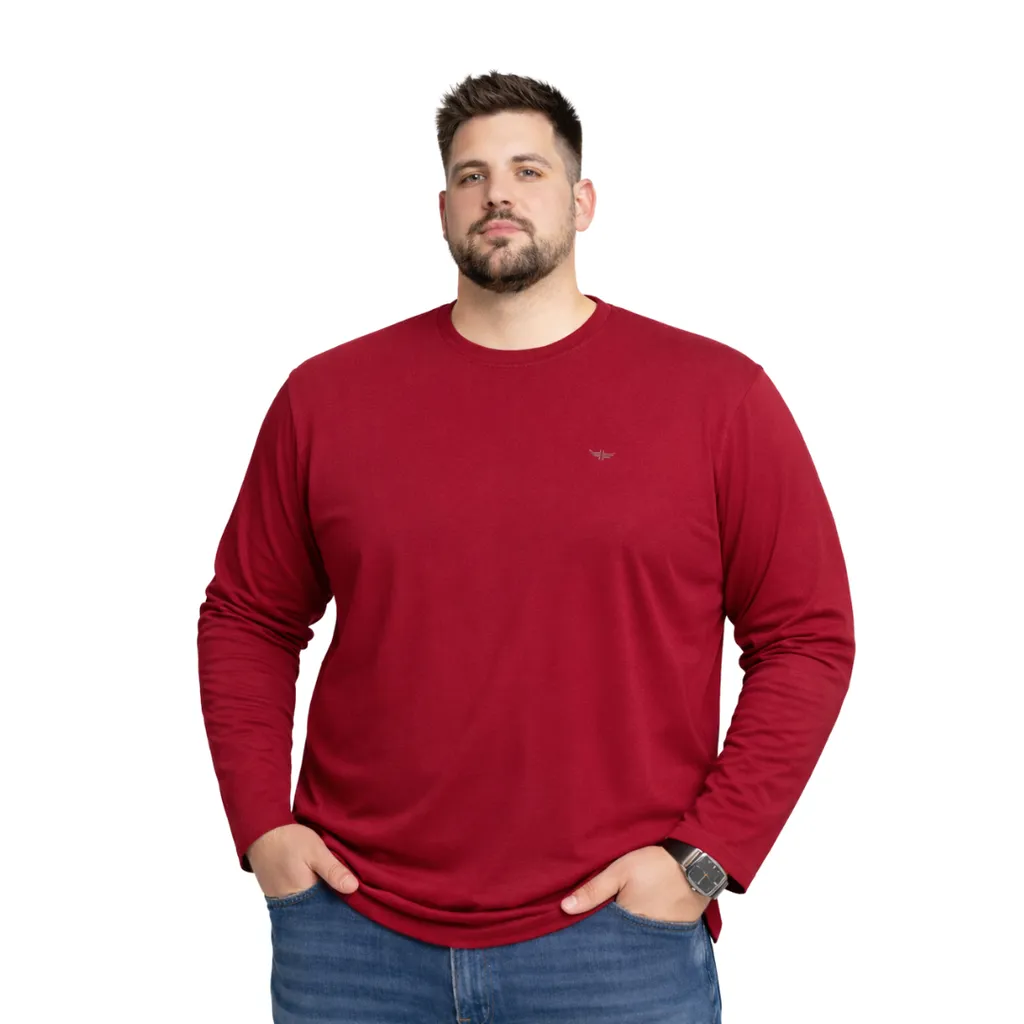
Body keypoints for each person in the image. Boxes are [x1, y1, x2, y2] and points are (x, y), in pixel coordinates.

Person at [197, 69, 855, 1024]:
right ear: (443, 210)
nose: (496, 194)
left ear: (582, 202)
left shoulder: (717, 397)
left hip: (615, 944)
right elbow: (248, 618)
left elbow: (806, 637)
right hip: (351, 934)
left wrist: (707, 859)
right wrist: (261, 826)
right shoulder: (327, 398)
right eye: (471, 176)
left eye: (527, 170)